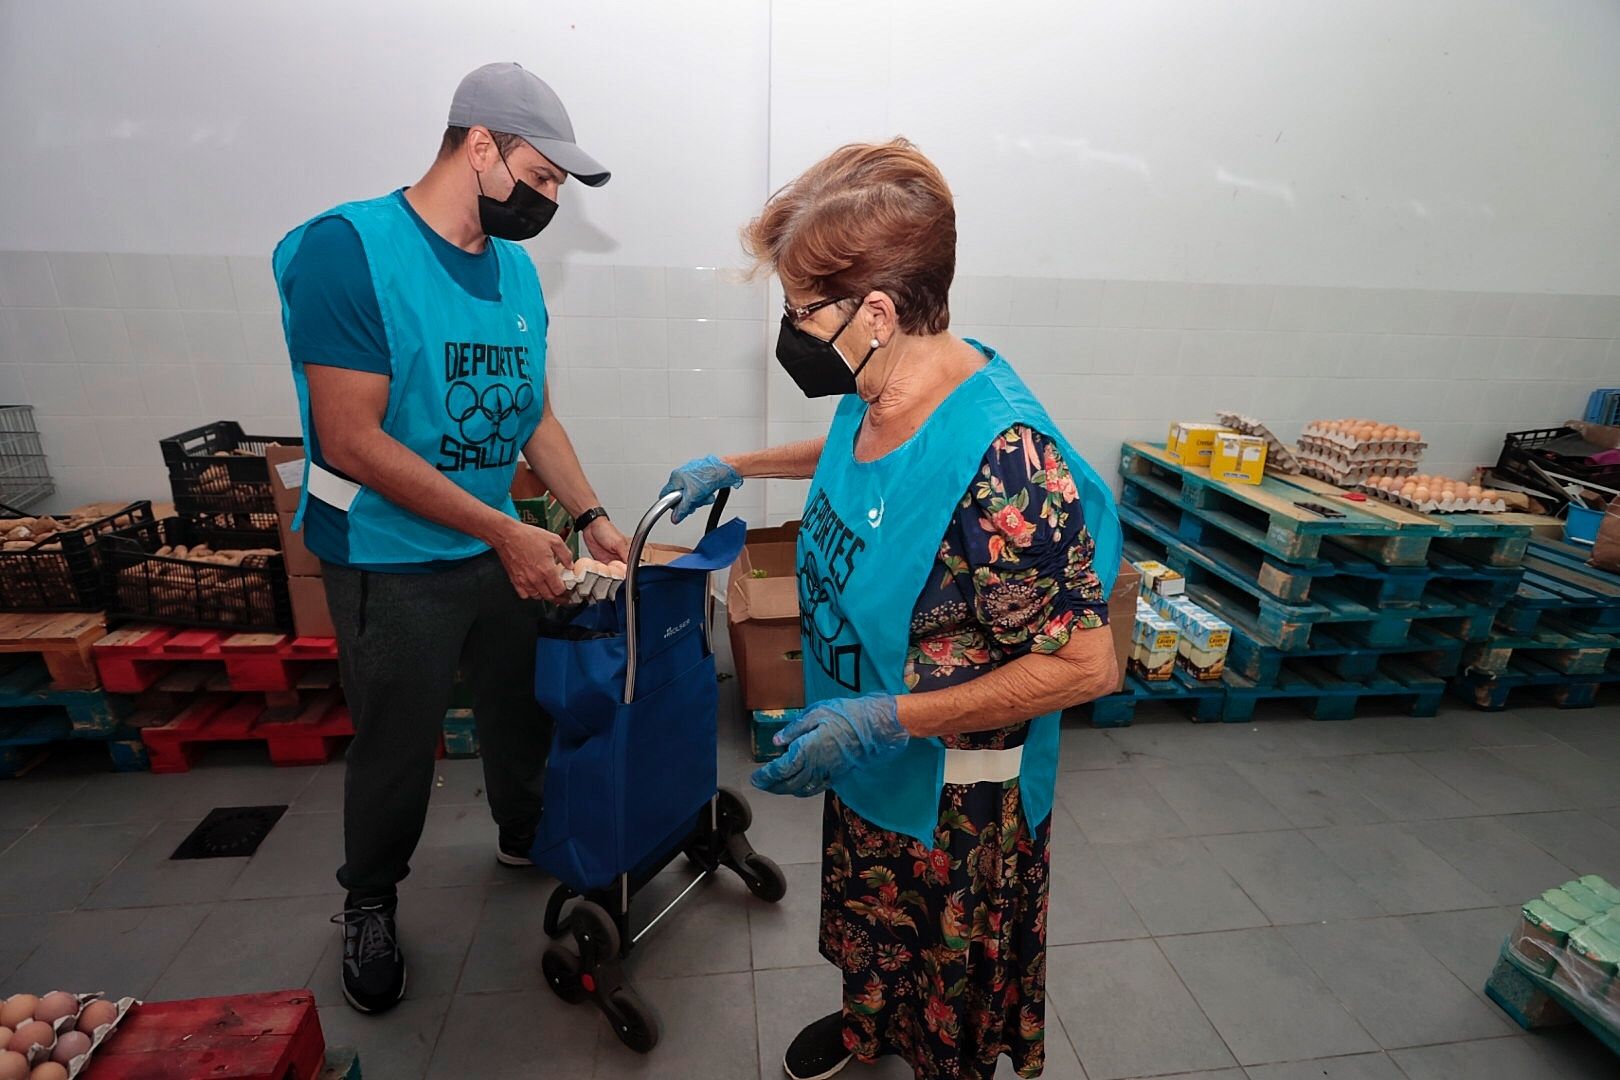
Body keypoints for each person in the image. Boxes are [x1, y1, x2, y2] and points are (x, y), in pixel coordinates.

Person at [663, 140, 1122, 1080]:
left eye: (799, 310)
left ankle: (933, 1054)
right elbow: (855, 450)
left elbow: (1087, 667)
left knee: (939, 971)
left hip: (954, 797)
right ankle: (869, 1025)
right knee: (874, 927)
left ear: (876, 310)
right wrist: (739, 465)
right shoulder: (876, 382)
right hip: (870, 750)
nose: (788, 329)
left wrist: (882, 718)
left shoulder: (1007, 463)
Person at [272, 62, 629, 1016]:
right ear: (480, 146)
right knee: (396, 739)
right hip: (387, 559)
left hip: (495, 544)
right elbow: (350, 435)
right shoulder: (350, 250)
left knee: (522, 710)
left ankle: (524, 833)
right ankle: (372, 897)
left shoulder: (514, 270)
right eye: (543, 176)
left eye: (560, 185)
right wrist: (503, 530)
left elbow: (534, 420)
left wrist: (590, 518)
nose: (550, 200)